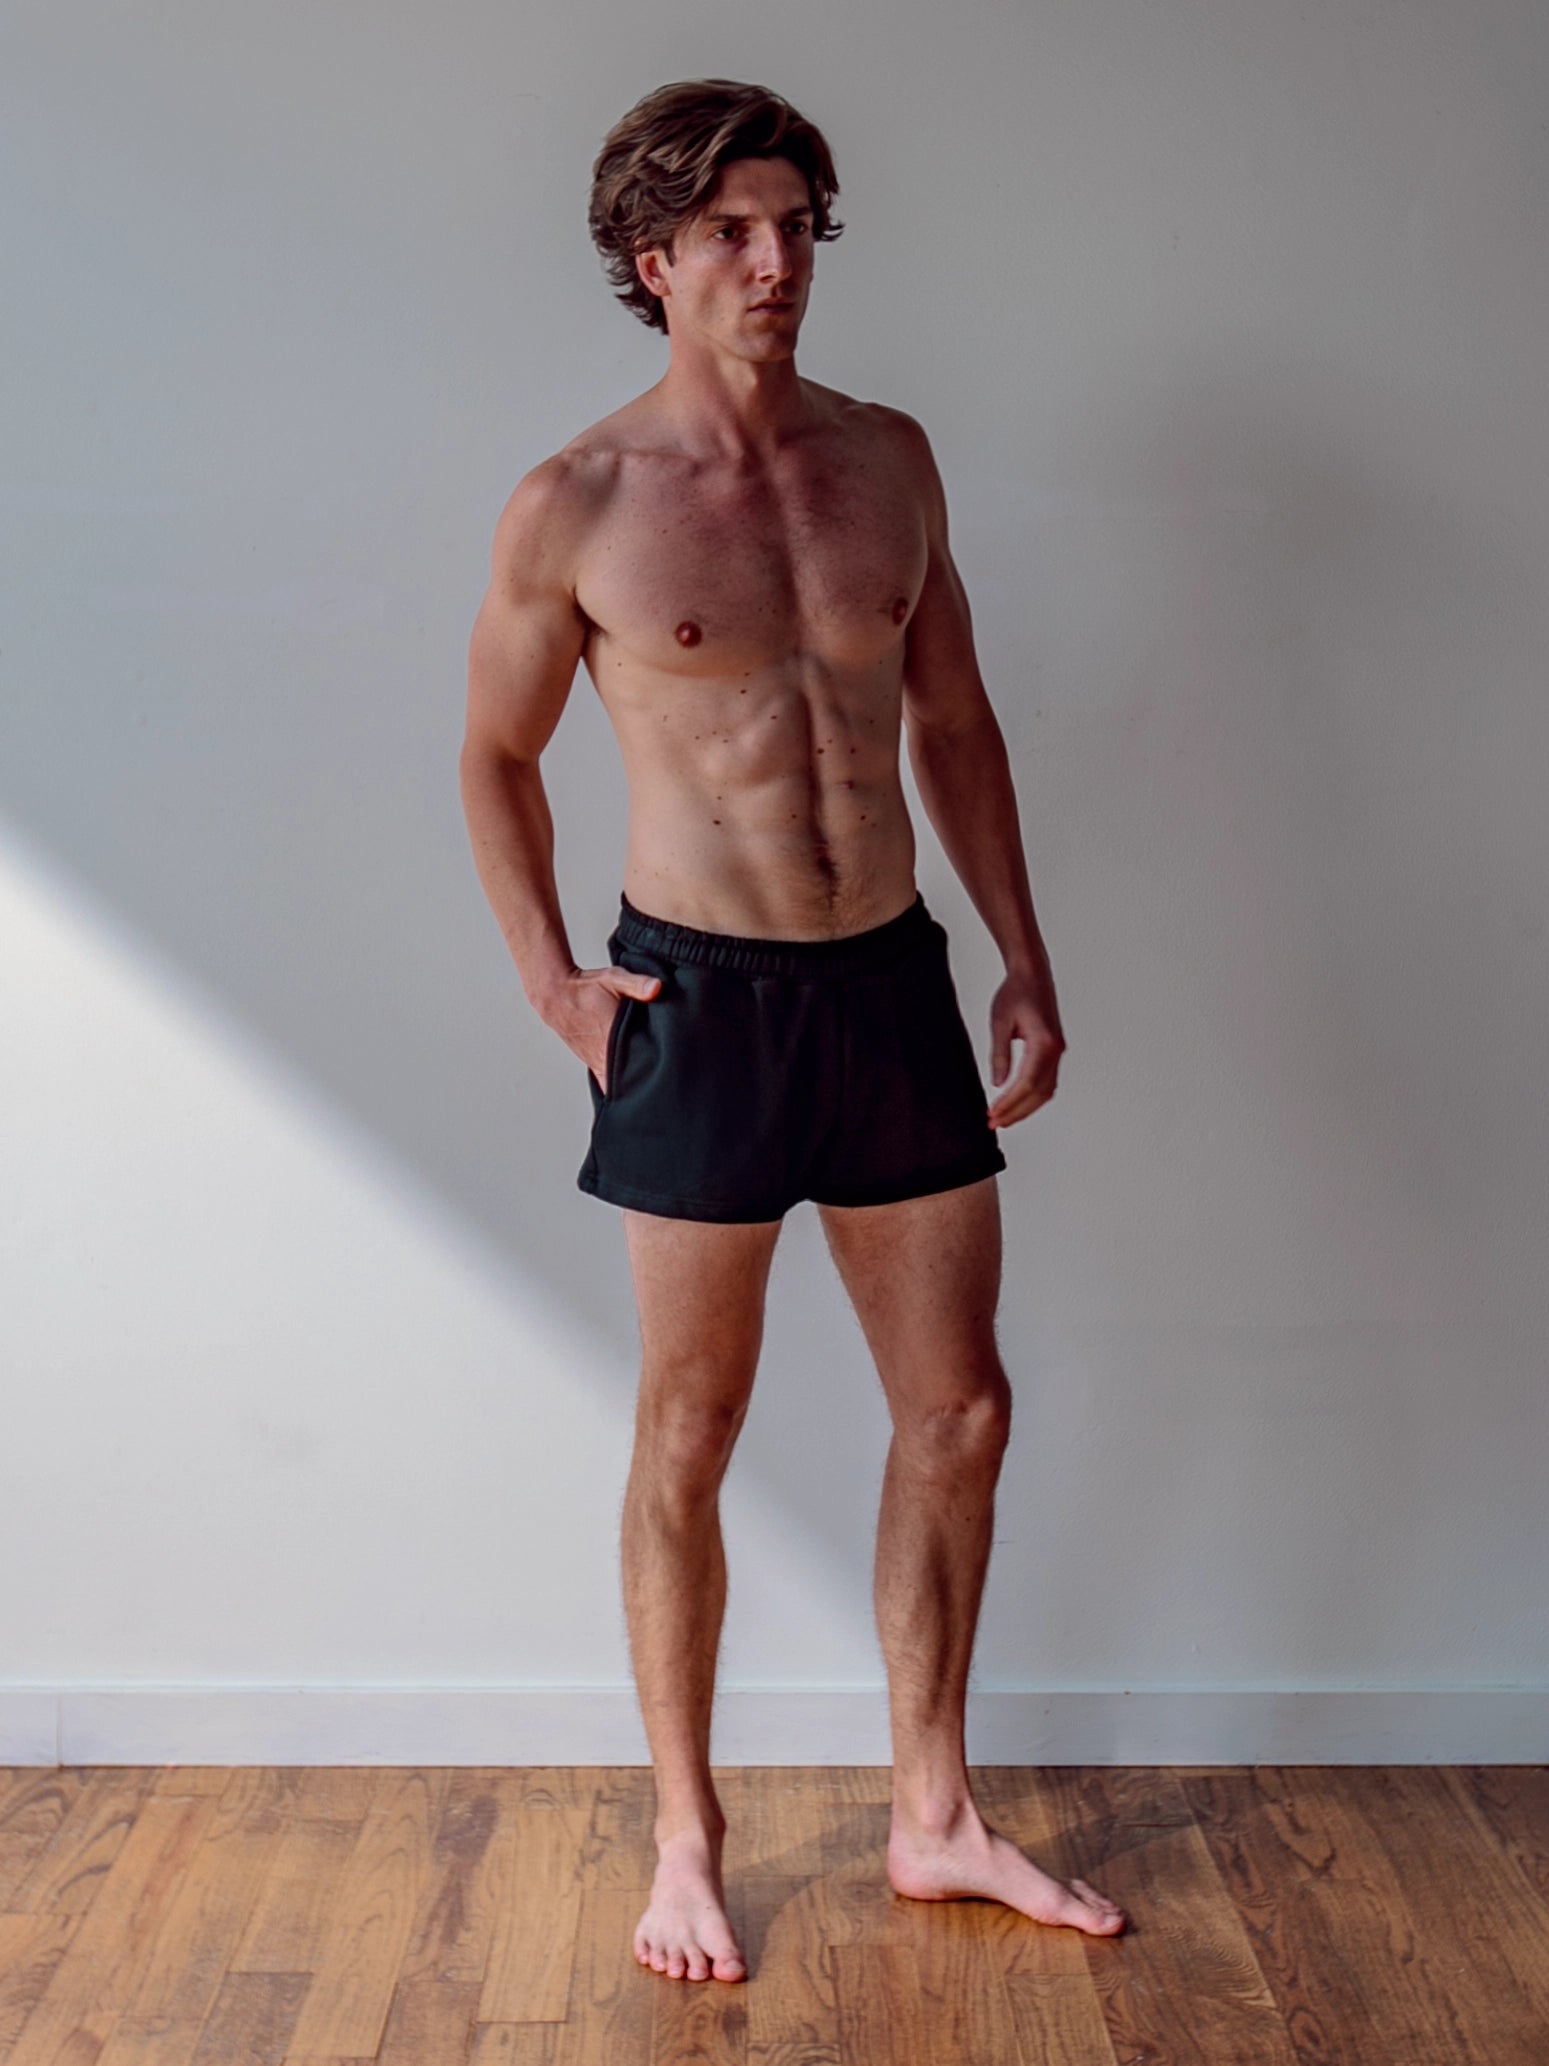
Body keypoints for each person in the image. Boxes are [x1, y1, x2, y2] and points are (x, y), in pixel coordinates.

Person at [459, 76, 1126, 1985]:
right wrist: (551, 982)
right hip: (703, 998)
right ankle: (688, 1840)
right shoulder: (575, 501)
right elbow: (494, 753)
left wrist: (1017, 946)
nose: (777, 266)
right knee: (691, 1420)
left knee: (961, 1408)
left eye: (799, 227)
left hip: (888, 979)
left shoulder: (891, 459)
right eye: (736, 233)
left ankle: (932, 1812)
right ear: (651, 262)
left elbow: (956, 720)